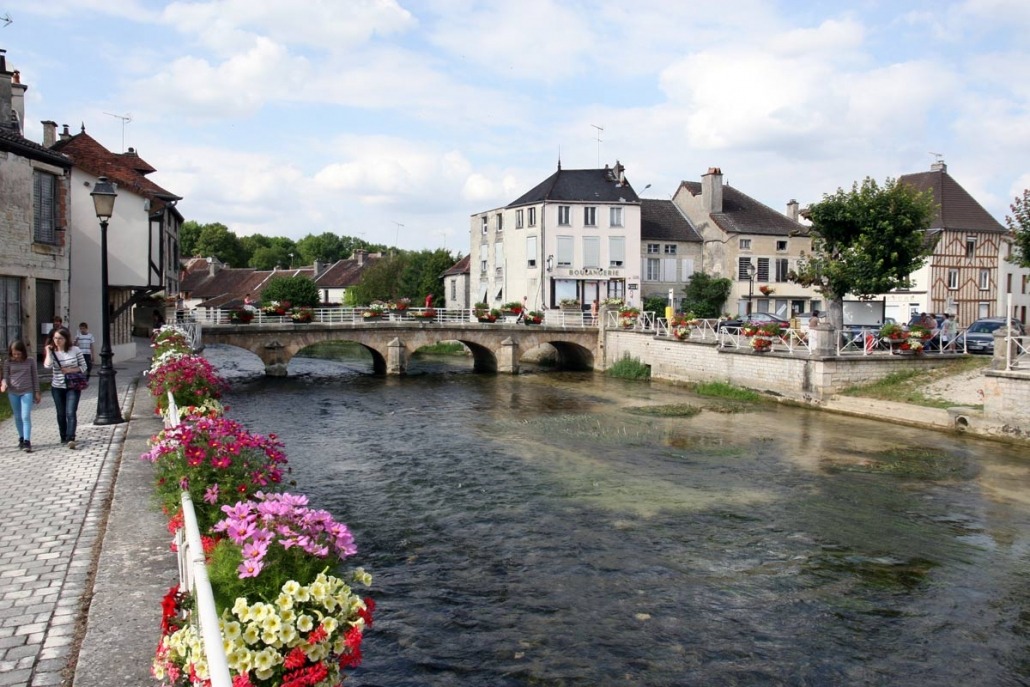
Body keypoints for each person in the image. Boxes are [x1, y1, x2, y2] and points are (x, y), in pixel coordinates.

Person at [44, 327, 87, 450]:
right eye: (55, 338)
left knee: (70, 412)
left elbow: (84, 366)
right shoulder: (53, 351)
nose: (57, 341)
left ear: (66, 339)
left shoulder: (75, 350)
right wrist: (48, 351)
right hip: (57, 386)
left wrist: (70, 370)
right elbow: (47, 366)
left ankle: (71, 438)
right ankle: (63, 436)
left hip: (73, 385)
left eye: (60, 338)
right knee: (61, 413)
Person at [1, 340, 41, 453]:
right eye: (14, 354)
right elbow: (5, 377)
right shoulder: (8, 362)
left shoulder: (30, 361)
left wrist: (37, 392)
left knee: (25, 416)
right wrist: (4, 384)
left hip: (27, 391)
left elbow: (34, 376)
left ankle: (27, 441)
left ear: (23, 352)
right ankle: (21, 438)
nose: (17, 356)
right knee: (17, 416)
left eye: (19, 354)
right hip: (13, 392)